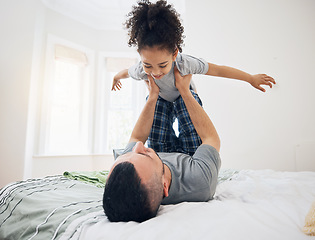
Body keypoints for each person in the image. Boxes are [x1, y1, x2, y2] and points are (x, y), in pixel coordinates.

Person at [111, 0, 275, 154]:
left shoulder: (185, 64)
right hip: (161, 100)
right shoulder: (141, 69)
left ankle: (189, 154)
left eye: (162, 65)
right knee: (157, 139)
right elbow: (126, 72)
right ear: (140, 57)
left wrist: (250, 78)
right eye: (148, 65)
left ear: (174, 54)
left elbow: (218, 70)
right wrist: (116, 78)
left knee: (192, 138)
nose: (155, 72)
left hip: (185, 96)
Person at [103, 69, 221, 222]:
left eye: (131, 152)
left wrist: (152, 96)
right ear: (164, 186)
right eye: (144, 153)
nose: (138, 145)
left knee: (158, 103)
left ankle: (160, 96)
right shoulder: (200, 182)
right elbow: (210, 138)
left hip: (161, 150)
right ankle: (187, 93)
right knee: (184, 102)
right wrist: (185, 92)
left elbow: (137, 137)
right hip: (193, 157)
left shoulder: (126, 166)